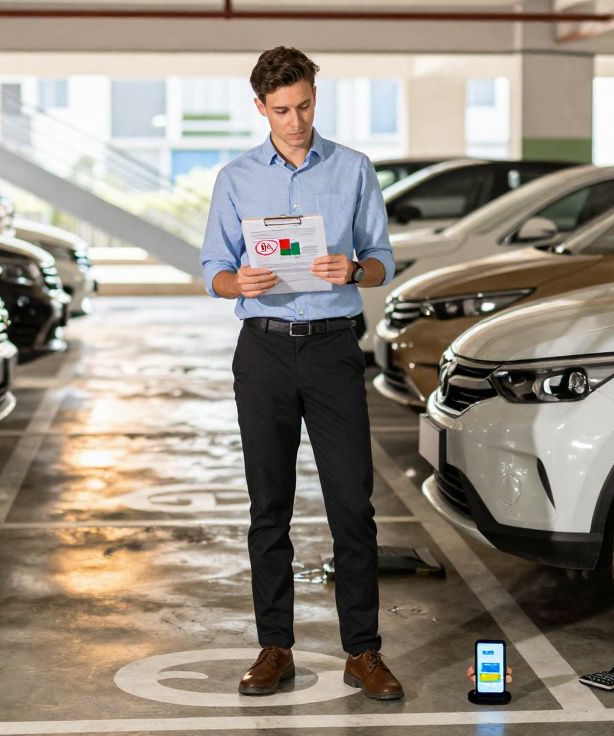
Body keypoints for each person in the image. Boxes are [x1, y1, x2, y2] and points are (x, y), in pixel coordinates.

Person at [199, 46, 401, 701]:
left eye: (306, 105)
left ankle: (363, 652)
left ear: (317, 95)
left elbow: (382, 260)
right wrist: (238, 282)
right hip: (262, 350)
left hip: (334, 349)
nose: (296, 120)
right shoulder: (235, 178)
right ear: (260, 107)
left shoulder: (353, 170)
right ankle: (274, 648)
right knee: (269, 509)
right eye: (282, 109)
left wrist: (354, 271)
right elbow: (212, 268)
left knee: (352, 506)